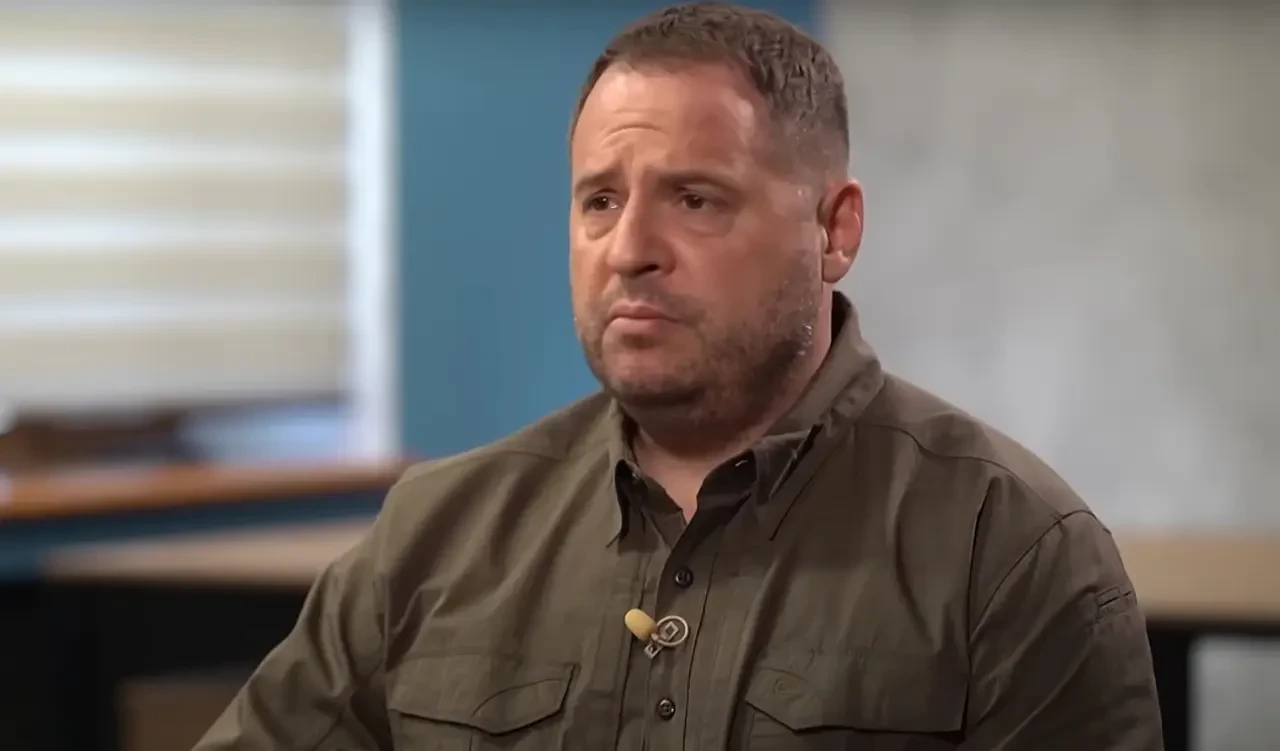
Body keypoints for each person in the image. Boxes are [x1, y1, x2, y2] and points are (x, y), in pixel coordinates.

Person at [194, 3, 1163, 749]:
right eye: (599, 201)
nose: (629, 250)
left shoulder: (1011, 552)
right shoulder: (433, 535)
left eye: (694, 199)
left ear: (834, 231)